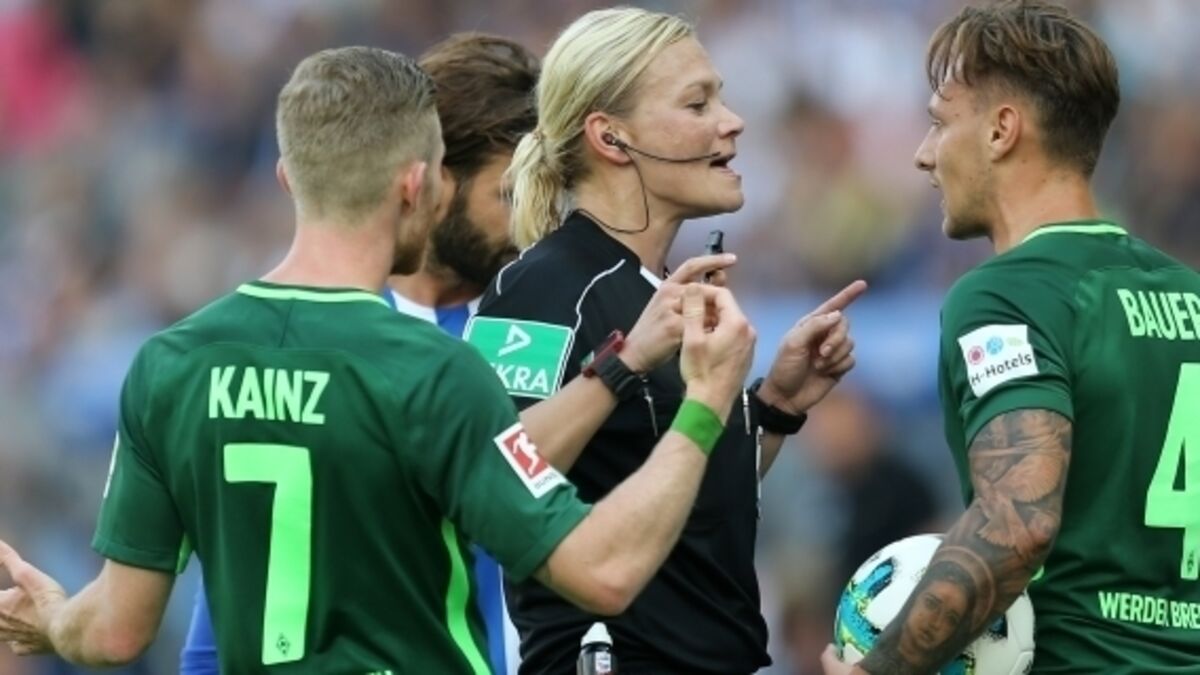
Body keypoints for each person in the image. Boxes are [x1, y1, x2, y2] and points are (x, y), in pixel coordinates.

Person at [0, 46, 760, 673]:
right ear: (419, 184)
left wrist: (56, 618)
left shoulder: (171, 363)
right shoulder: (437, 373)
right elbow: (604, 571)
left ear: (288, 177)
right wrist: (705, 402)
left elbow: (115, 632)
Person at [468, 8, 865, 674]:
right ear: (612, 137)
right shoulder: (541, 284)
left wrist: (775, 405)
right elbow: (485, 471)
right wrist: (622, 364)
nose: (732, 121)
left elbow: (679, 496)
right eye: (697, 103)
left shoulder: (659, 289)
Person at [822, 1, 1200, 673]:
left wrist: (878, 670)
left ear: (1001, 130)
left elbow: (1017, 523)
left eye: (940, 123)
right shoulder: (1188, 292)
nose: (923, 154)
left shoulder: (1007, 293)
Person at [176, 33, 542, 675]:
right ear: (430, 181)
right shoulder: (303, 345)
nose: (530, 224)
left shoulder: (557, 317)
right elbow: (237, 596)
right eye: (510, 197)